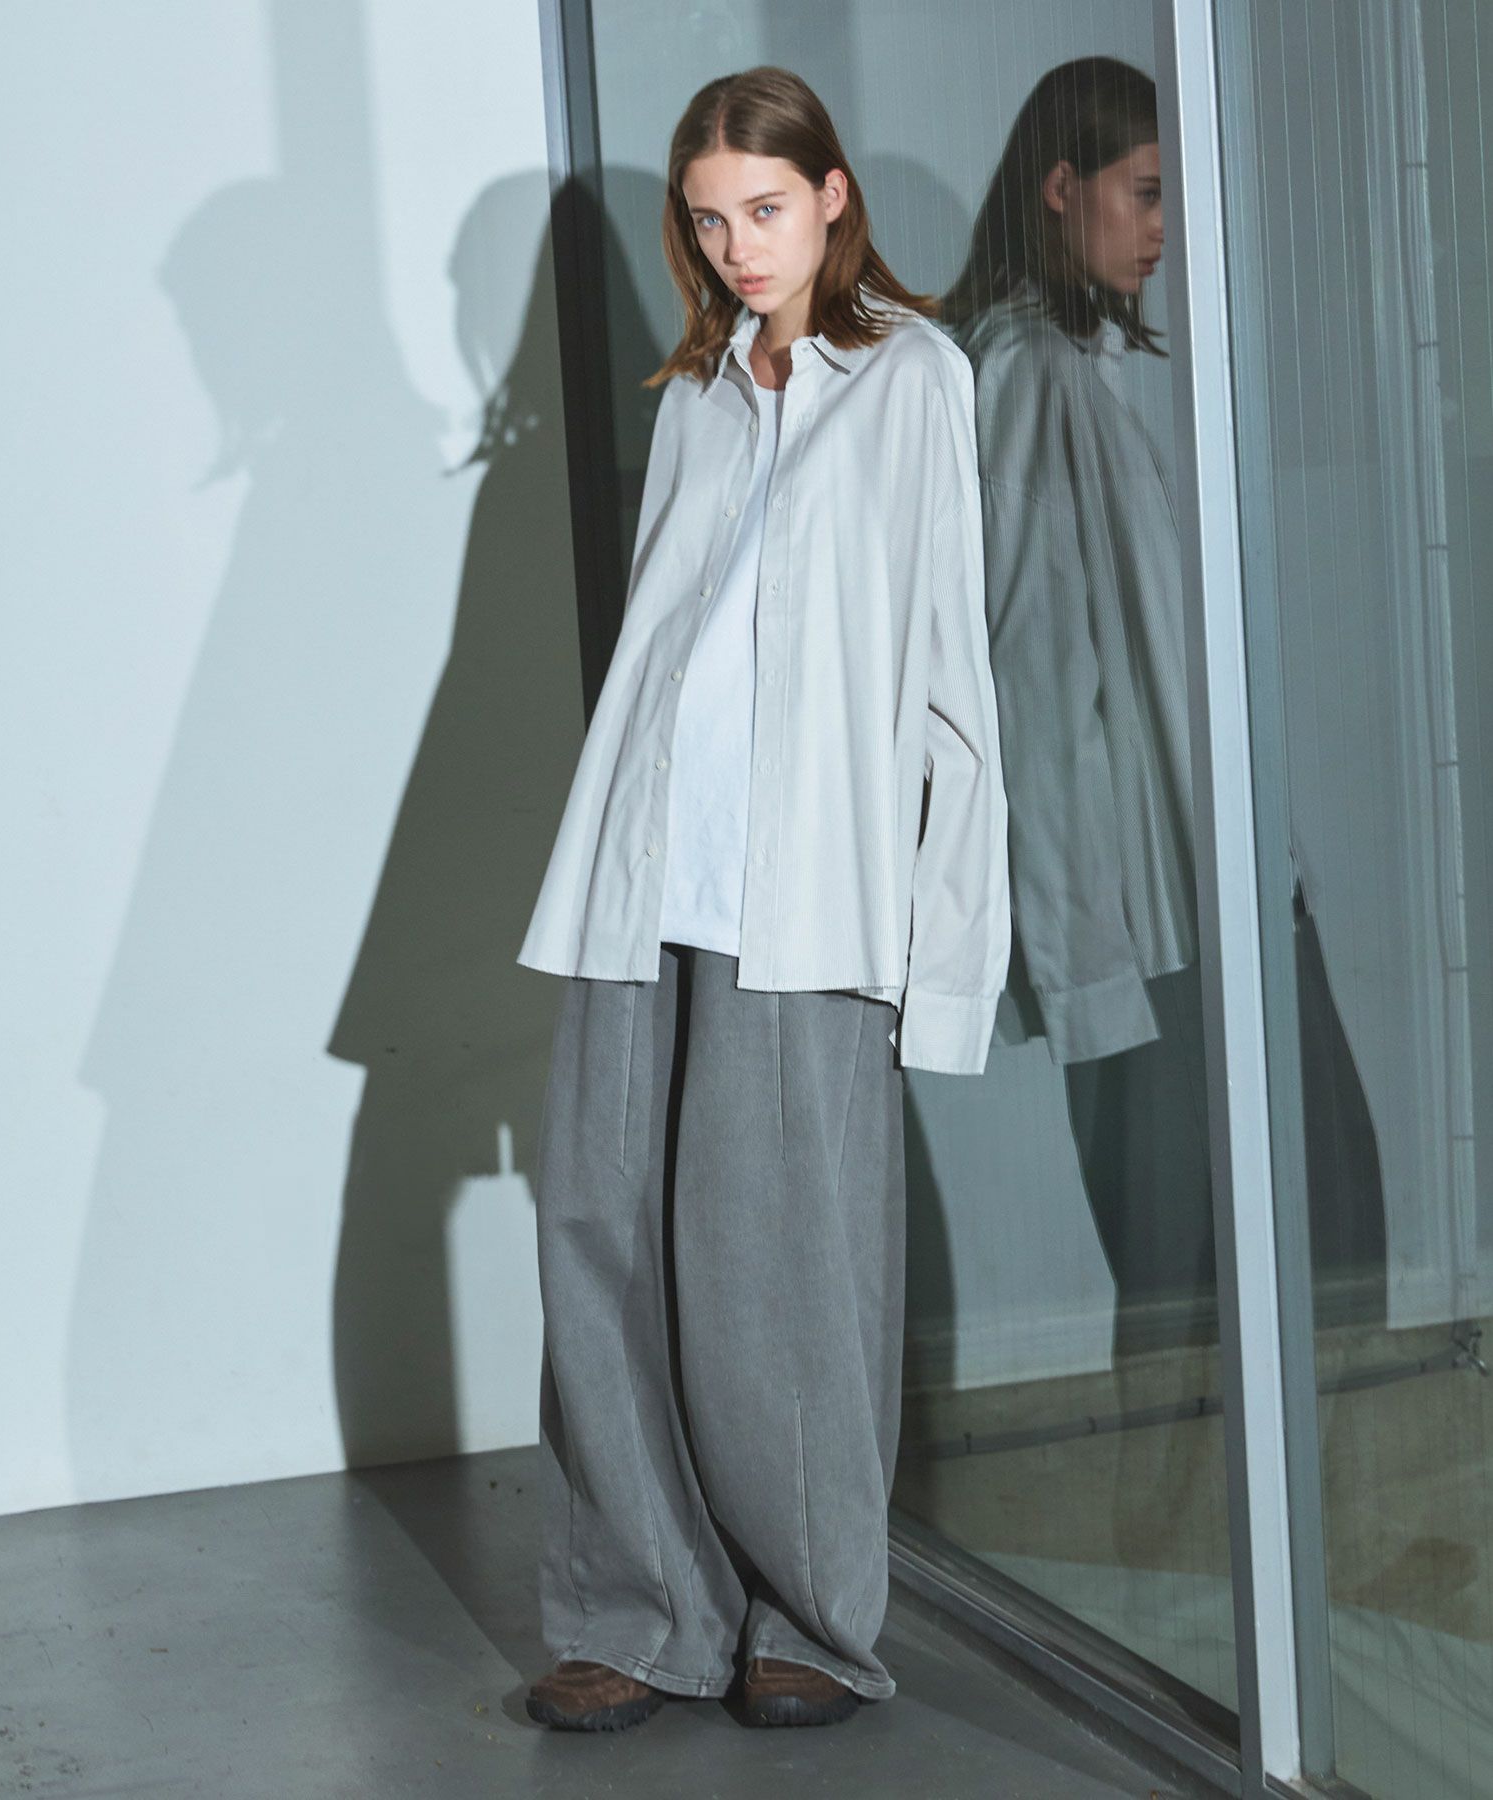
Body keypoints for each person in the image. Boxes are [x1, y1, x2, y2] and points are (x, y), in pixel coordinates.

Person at [515, 65, 1009, 1730]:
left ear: (835, 197)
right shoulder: (697, 394)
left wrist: (946, 962)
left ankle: (809, 1618)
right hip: (642, 877)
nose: (740, 245)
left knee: (788, 1269)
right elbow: (663, 651)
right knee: (600, 1243)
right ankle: (637, 1609)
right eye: (712, 218)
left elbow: (949, 679)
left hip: (805, 900)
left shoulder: (916, 379)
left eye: (768, 209)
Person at [944, 57, 1384, 1353]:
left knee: (1302, 1258)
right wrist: (1087, 977)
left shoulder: (1060, 376)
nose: (1163, 229)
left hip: (1207, 910)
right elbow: (1029, 699)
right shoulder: (1028, 377)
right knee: (1222, 1286)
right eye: (1144, 193)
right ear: (1060, 188)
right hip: (1160, 938)